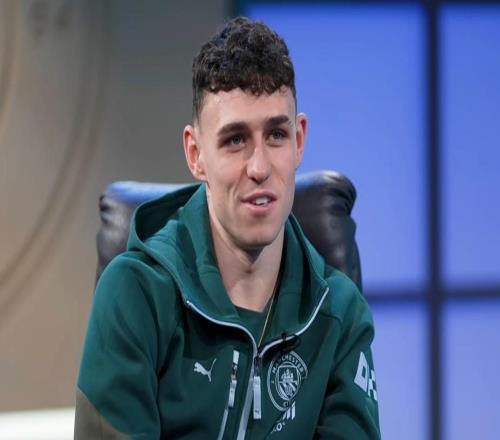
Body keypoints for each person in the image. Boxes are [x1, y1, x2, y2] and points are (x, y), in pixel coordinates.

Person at [75, 17, 380, 439]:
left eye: (276, 134)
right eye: (235, 139)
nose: (259, 167)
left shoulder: (340, 314)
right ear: (195, 154)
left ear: (299, 140)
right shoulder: (133, 295)